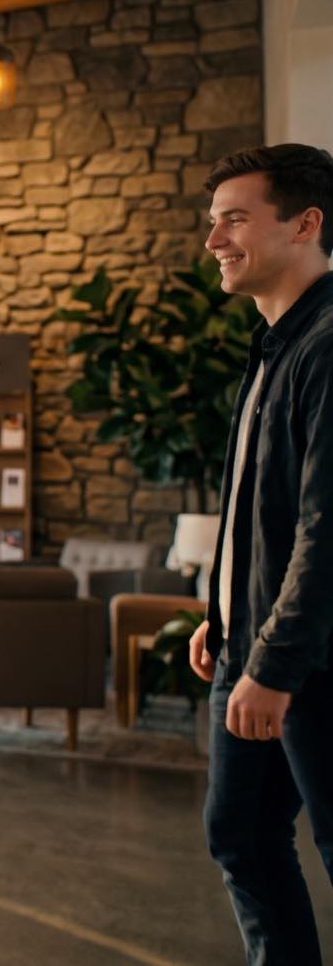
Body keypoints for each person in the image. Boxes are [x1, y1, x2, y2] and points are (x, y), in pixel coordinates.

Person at [184, 143, 333, 963]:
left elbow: (325, 527)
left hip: (307, 661)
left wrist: (273, 664)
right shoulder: (273, 343)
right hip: (251, 646)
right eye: (213, 223)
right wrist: (223, 613)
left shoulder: (328, 345)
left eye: (234, 219)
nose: (214, 240)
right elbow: (253, 504)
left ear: (305, 223)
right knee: (239, 834)